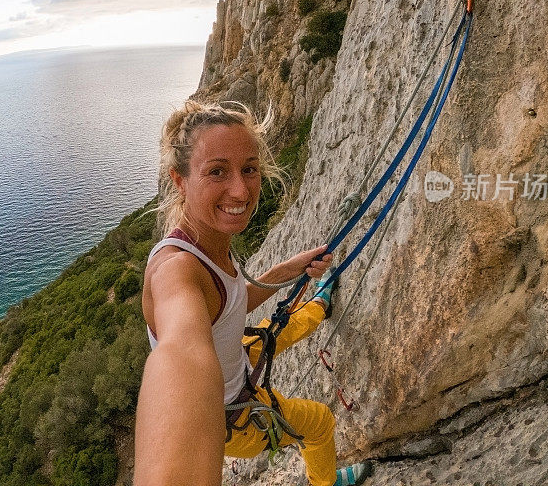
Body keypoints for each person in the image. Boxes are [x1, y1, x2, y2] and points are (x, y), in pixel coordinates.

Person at [134, 101, 371, 486]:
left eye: (249, 169)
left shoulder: (205, 239)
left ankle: (318, 304)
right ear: (180, 181)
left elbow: (228, 304)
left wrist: (285, 271)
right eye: (217, 172)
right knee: (321, 424)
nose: (241, 189)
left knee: (280, 326)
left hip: (235, 359)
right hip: (235, 416)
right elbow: (181, 354)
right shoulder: (175, 272)